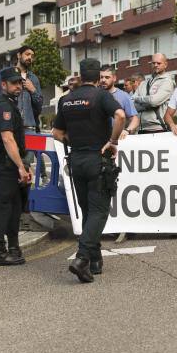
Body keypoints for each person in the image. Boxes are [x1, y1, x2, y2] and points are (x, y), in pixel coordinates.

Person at [52, 58, 125, 283]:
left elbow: (56, 132)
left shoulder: (66, 99)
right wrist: (112, 141)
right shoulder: (102, 95)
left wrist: (73, 141)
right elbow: (121, 115)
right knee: (100, 211)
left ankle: (95, 262)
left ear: (81, 76)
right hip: (97, 159)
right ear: (97, 77)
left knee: (87, 211)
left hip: (77, 160)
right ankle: (82, 258)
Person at [0, 68, 33, 266]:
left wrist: (22, 164)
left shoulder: (10, 105)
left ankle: (13, 247)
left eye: (19, 83)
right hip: (6, 165)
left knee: (14, 208)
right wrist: (20, 167)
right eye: (13, 83)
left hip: (13, 164)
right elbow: (7, 139)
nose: (18, 87)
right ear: (3, 85)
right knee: (2, 207)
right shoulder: (4, 107)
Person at [0, 46, 43, 135]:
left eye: (32, 56)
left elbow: (39, 107)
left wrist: (33, 90)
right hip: (8, 126)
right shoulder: (4, 74)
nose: (30, 57)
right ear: (19, 55)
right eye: (27, 54)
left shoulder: (34, 79)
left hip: (29, 128)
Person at [134, 53, 175, 134]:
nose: (155, 65)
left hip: (158, 128)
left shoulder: (167, 82)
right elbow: (131, 104)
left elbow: (154, 101)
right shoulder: (144, 83)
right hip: (141, 128)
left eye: (159, 63)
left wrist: (137, 99)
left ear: (165, 64)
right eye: (153, 63)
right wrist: (147, 103)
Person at [99, 65, 139, 137]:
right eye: (101, 77)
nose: (103, 80)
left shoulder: (124, 96)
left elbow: (135, 119)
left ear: (114, 78)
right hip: (98, 139)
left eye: (107, 77)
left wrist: (127, 130)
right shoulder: (95, 95)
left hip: (116, 140)